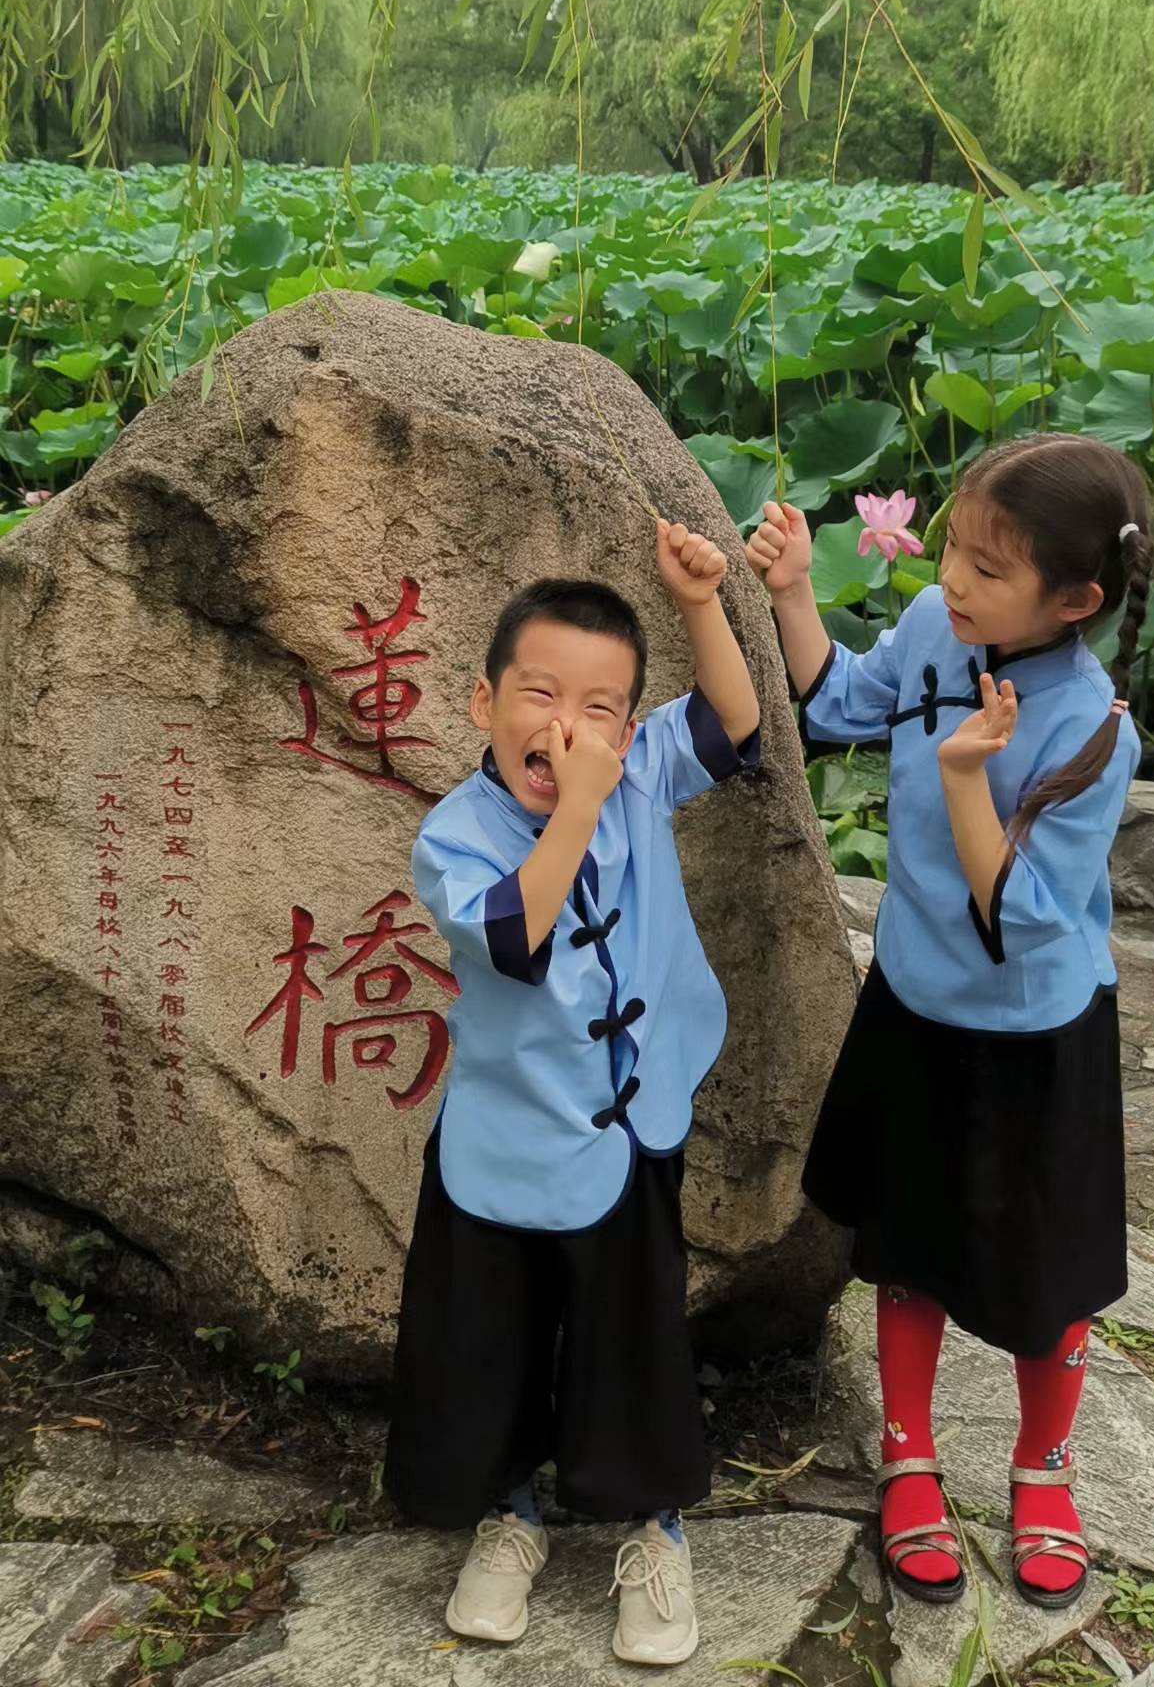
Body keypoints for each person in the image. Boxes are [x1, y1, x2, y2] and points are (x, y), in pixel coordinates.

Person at [747, 434, 1151, 1615]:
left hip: (1032, 1031)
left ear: (1072, 601)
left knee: (1047, 1272)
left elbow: (1021, 918)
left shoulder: (1090, 734)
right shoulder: (935, 626)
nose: (953, 580)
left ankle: (1043, 1471)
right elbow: (840, 701)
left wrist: (969, 778)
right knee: (904, 1240)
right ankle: (909, 1456)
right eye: (954, 549)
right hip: (916, 1000)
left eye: (986, 567)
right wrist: (789, 593)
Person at [384, 520, 760, 1670]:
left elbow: (734, 723)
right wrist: (584, 805)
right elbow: (516, 932)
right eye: (536, 692)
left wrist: (702, 601)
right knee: (489, 1329)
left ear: (626, 718)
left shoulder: (637, 764)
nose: (567, 724)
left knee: (630, 1324)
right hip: (504, 1133)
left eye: (602, 706)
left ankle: (650, 1523)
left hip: (634, 1121)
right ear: (479, 701)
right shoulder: (453, 834)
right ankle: (510, 1511)